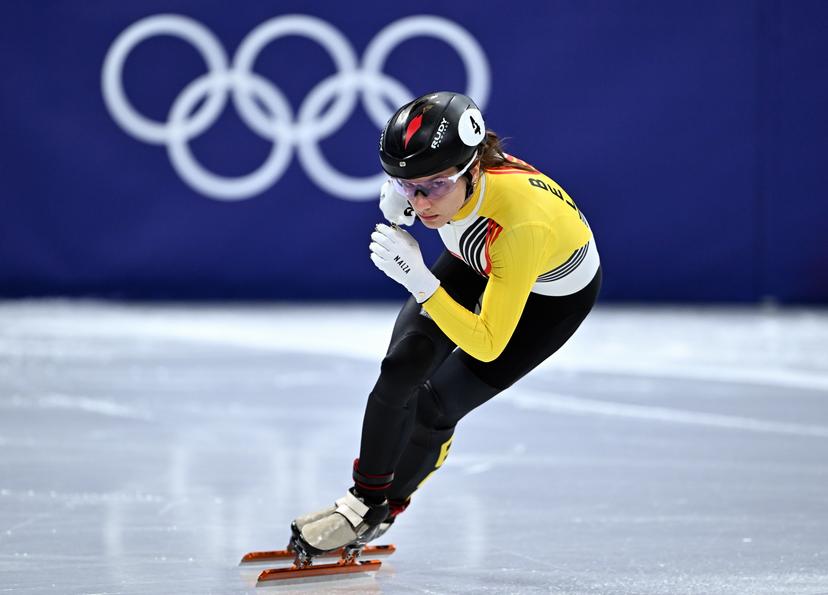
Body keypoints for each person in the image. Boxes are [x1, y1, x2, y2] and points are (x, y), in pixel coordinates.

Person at [289, 91, 602, 558]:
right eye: (404, 184)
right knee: (402, 369)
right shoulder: (446, 181)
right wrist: (407, 197)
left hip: (548, 297)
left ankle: (386, 508)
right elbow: (428, 191)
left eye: (432, 186)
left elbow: (490, 344)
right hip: (479, 257)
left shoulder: (519, 224)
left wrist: (422, 284)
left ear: (473, 169)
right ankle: (363, 503)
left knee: (435, 407)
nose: (420, 201)